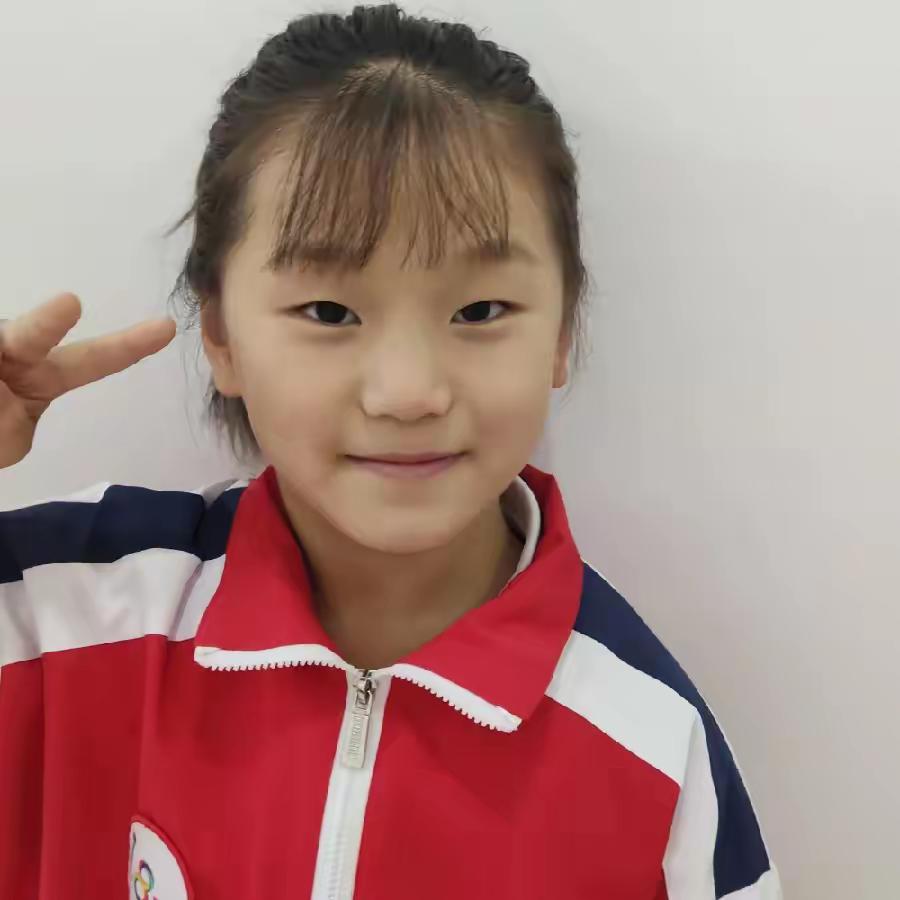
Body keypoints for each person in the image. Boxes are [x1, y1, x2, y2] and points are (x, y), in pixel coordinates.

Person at [0, 4, 782, 897]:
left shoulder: (651, 747)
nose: (408, 393)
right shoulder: (56, 615)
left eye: (479, 311)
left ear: (562, 331)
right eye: (330, 312)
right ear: (220, 335)